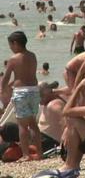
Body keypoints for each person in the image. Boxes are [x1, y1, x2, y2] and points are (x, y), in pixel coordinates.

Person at [0, 31, 42, 161]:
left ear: (16, 43)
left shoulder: (13, 59)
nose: (11, 48)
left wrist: (3, 89)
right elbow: (25, 75)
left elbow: (5, 79)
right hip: (34, 91)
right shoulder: (32, 56)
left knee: (22, 125)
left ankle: (26, 155)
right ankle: (39, 153)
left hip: (22, 93)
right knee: (33, 124)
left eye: (11, 45)